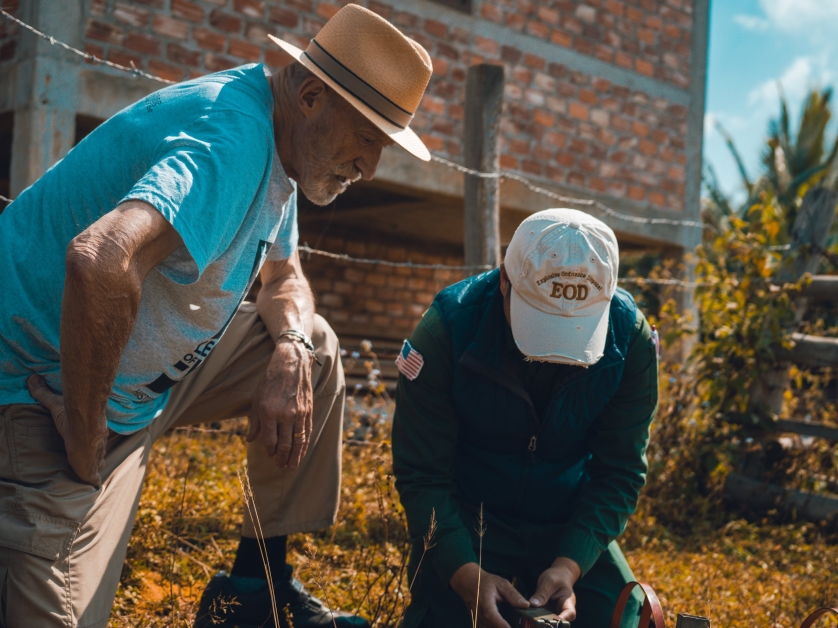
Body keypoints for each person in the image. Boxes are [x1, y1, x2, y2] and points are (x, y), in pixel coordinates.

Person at [0, 5, 432, 628]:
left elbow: (285, 277)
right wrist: (86, 432)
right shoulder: (230, 145)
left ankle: (260, 586)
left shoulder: (284, 137)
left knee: (315, 342)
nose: (370, 167)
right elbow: (99, 261)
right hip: (48, 394)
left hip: (138, 386)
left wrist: (289, 346)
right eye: (367, 139)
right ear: (312, 96)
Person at [392, 208, 659, 628]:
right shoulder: (447, 330)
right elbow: (422, 474)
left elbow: (620, 472)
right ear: (504, 282)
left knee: (616, 619)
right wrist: (463, 572)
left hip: (566, 521)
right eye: (542, 325)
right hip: (466, 519)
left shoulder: (632, 341)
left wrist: (571, 564)